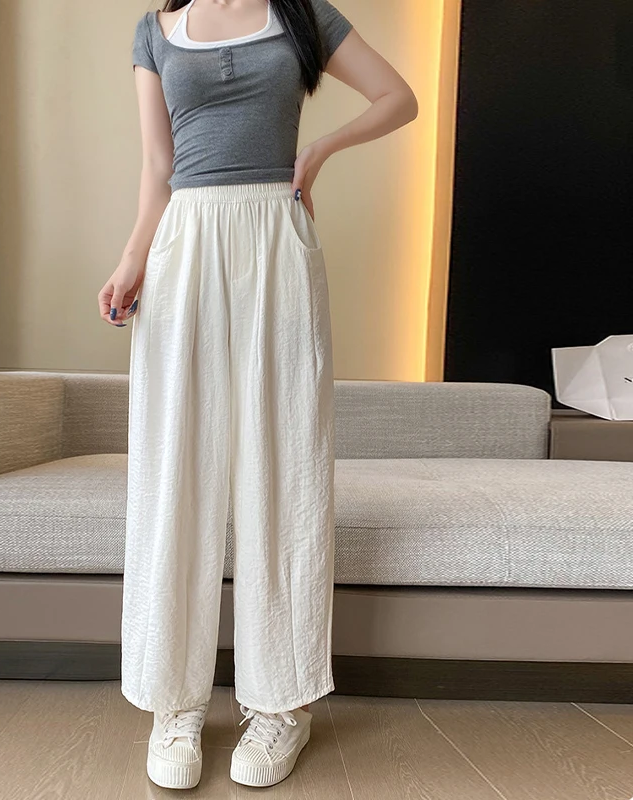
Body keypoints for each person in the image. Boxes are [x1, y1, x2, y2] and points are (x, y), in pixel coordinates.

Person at [98, 0, 417, 789]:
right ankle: (174, 701)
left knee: (284, 468)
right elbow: (158, 166)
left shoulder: (302, 16)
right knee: (176, 472)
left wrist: (320, 151)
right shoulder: (155, 32)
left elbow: (398, 97)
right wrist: (132, 258)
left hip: (277, 238)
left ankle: (282, 703)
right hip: (185, 247)